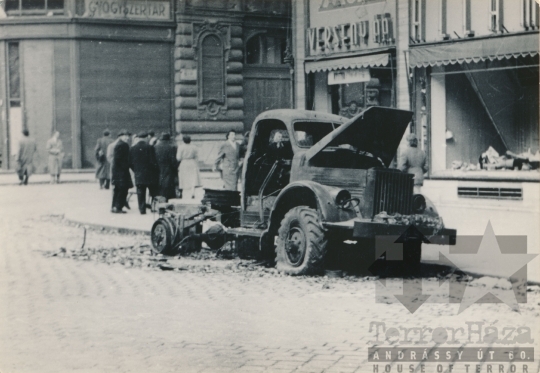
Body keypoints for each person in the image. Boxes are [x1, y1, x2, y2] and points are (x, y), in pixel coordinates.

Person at [130, 132, 159, 214]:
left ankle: (142, 210)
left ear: (138, 138)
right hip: (150, 174)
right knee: (153, 192)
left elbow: (130, 162)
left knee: (140, 192)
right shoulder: (150, 147)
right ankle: (153, 208)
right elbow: (154, 162)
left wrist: (135, 169)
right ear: (146, 138)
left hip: (139, 174)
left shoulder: (133, 148)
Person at [111, 130, 133, 214]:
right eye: (125, 136)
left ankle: (114, 207)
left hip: (117, 172)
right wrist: (127, 166)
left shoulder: (118, 144)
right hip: (122, 172)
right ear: (120, 136)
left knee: (117, 190)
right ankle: (118, 207)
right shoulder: (124, 145)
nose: (127, 137)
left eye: (128, 136)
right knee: (123, 190)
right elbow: (121, 159)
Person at [154, 132, 178, 201]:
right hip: (168, 169)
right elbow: (173, 161)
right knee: (169, 187)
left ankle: (161, 202)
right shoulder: (172, 147)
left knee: (160, 186)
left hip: (158, 169)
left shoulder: (155, 146)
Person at [177, 135, 201, 199]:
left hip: (184, 163)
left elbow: (178, 158)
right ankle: (192, 192)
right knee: (193, 178)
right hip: (192, 162)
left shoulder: (181, 147)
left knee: (184, 178)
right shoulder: (194, 147)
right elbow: (197, 157)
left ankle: (183, 192)